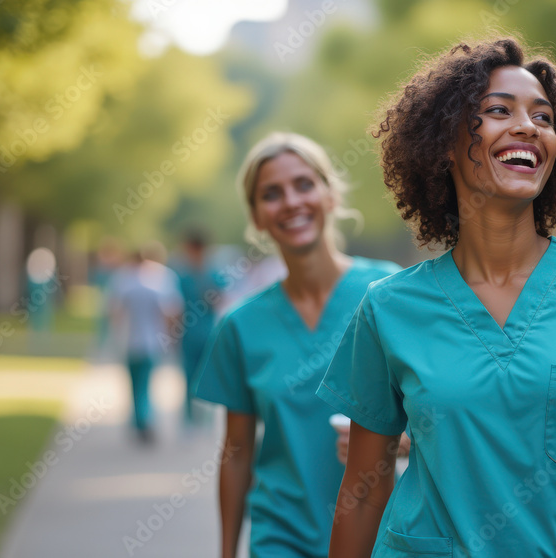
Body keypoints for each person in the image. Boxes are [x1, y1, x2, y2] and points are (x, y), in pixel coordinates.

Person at [318, 38, 556, 557]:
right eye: (499, 110)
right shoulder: (389, 307)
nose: (528, 126)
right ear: (445, 144)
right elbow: (364, 490)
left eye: (543, 117)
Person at [194, 133, 400, 558]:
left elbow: (436, 411)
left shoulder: (389, 294)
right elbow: (236, 453)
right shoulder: (241, 326)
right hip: (280, 538)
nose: (290, 202)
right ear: (256, 216)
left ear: (330, 195)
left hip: (379, 534)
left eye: (304, 184)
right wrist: (227, 552)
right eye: (271, 194)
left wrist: (399, 443)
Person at [107, 242, 183, 442]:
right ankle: (143, 419)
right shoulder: (161, 278)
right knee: (146, 383)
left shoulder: (124, 279)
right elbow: (171, 312)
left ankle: (139, 420)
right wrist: (172, 337)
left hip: (130, 341)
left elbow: (115, 312)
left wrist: (115, 335)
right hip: (153, 341)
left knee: (135, 384)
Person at [171, 227, 224, 426]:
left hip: (207, 333)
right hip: (188, 333)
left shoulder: (211, 274)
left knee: (207, 376)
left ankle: (206, 415)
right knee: (188, 375)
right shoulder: (182, 276)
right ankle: (190, 416)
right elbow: (176, 306)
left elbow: (219, 300)